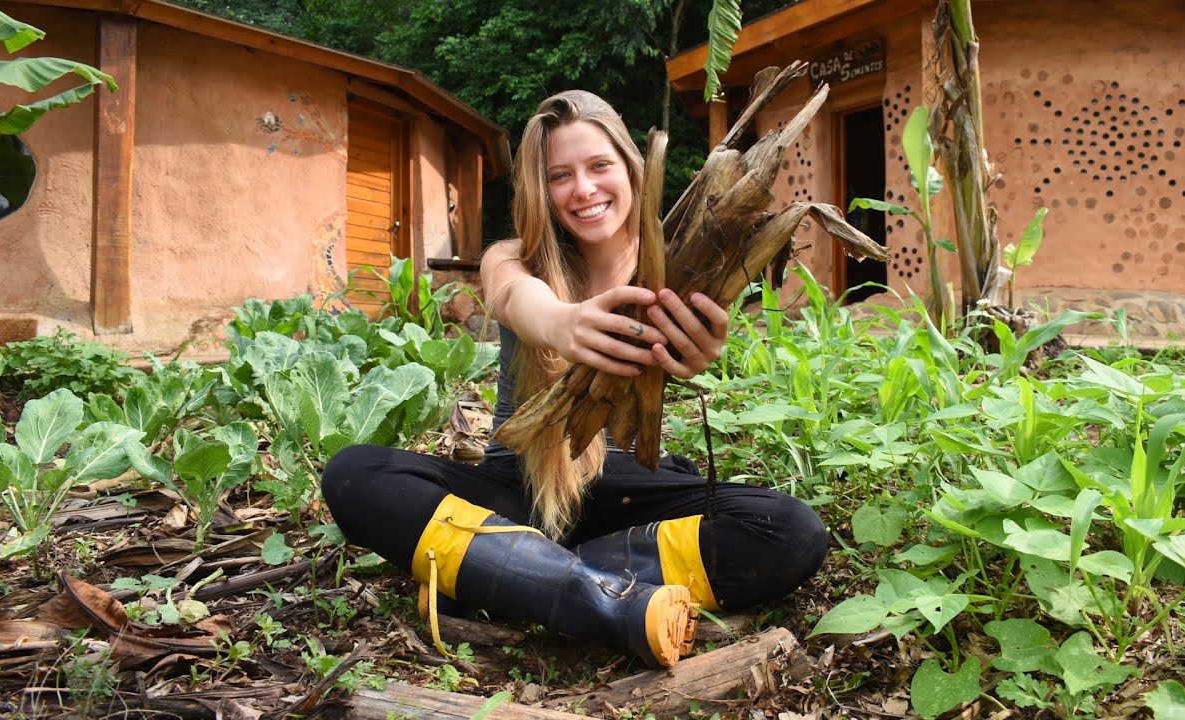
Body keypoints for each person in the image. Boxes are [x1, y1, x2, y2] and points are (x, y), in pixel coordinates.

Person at [322, 90, 828, 669]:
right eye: (560, 175)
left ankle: (513, 575)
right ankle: (605, 602)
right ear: (542, 190)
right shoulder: (515, 257)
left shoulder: (677, 264)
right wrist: (564, 324)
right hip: (519, 490)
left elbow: (698, 340)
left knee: (791, 531)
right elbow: (519, 299)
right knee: (354, 474)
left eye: (598, 167)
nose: (583, 189)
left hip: (631, 488)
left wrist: (700, 351)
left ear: (631, 170)